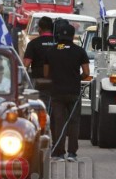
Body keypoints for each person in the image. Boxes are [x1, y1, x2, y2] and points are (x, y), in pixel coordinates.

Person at [44, 22, 90, 162]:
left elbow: (46, 74)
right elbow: (87, 73)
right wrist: (77, 78)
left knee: (59, 122)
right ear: (73, 35)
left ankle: (59, 153)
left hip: (57, 92)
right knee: (74, 122)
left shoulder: (51, 51)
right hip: (74, 92)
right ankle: (72, 154)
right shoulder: (79, 51)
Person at [23, 16, 55, 107]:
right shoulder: (59, 44)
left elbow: (26, 64)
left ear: (39, 28)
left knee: (37, 107)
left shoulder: (33, 44)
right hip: (57, 82)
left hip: (38, 82)